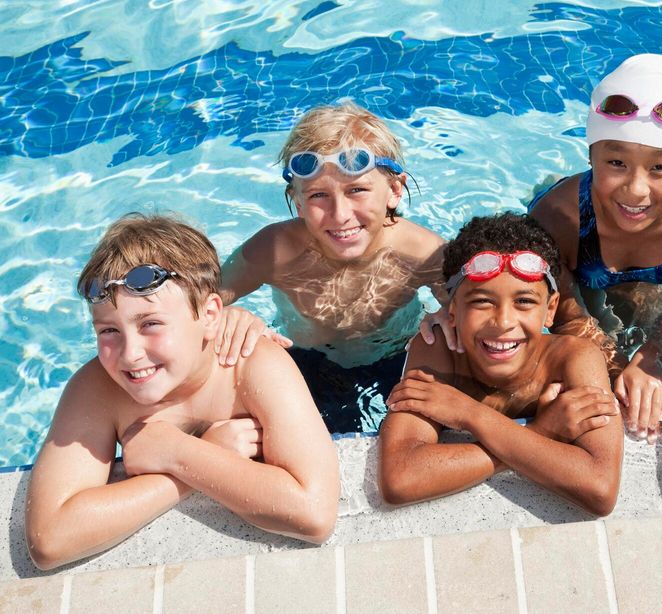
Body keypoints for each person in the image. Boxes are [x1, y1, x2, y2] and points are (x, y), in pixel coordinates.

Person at [25, 214, 339, 570]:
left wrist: (175, 452)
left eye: (151, 324)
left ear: (209, 316)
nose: (130, 354)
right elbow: (49, 540)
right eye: (108, 331)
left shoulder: (251, 364)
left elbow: (314, 513)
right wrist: (195, 460)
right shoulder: (98, 386)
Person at [525, 54, 662, 444]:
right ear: (591, 155)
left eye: (660, 168)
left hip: (646, 272)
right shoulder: (556, 216)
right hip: (583, 257)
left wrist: (651, 360)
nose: (635, 189)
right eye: (615, 162)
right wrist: (618, 368)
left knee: (644, 311)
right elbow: (565, 313)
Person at [217, 103, 446, 434]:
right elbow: (198, 304)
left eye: (357, 190)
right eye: (318, 196)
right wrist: (228, 316)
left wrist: (449, 316)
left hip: (397, 356)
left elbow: (477, 305)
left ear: (394, 191)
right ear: (298, 203)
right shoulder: (273, 251)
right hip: (307, 362)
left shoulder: (423, 254)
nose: (339, 215)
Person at [379, 213, 623, 516]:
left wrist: (469, 413)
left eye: (524, 302)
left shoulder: (575, 358)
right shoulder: (437, 349)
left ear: (551, 310)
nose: (503, 322)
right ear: (452, 311)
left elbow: (600, 489)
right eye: (482, 301)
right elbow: (400, 479)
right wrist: (542, 431)